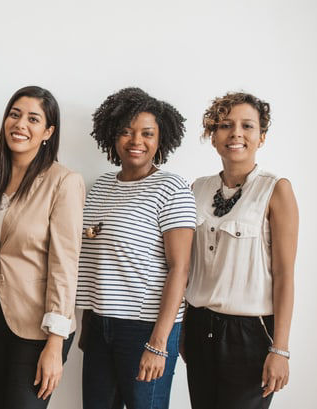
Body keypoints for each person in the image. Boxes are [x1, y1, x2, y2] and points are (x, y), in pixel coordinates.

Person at [0, 85, 85, 409]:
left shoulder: (64, 181)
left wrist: (55, 343)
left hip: (38, 327)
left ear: (48, 131)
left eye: (33, 119)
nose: (20, 124)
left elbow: (65, 263)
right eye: (15, 115)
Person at [76, 87, 196, 409]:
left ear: (161, 139)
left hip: (146, 327)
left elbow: (180, 269)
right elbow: (94, 255)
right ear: (112, 136)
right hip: (100, 325)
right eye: (126, 132)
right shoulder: (100, 186)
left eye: (147, 133)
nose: (135, 141)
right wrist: (89, 320)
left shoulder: (172, 187)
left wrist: (158, 343)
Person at [183, 92, 298, 409]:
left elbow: (285, 274)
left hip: (250, 334)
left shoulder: (276, 190)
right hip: (199, 326)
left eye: (247, 126)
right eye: (224, 125)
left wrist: (281, 349)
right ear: (213, 136)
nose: (235, 133)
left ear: (261, 136)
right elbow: (187, 266)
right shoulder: (197, 188)